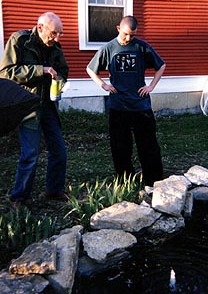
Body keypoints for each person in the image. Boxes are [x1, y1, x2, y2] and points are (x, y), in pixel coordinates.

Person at [86, 15, 166, 186]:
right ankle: (125, 181)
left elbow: (161, 65)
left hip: (140, 105)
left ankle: (154, 181)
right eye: (126, 34)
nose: (129, 38)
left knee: (148, 145)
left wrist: (151, 86)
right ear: (118, 29)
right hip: (118, 106)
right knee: (120, 147)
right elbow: (90, 69)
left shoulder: (141, 47)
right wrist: (103, 85)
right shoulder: (108, 48)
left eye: (133, 35)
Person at [0, 12, 69, 204]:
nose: (57, 38)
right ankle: (19, 198)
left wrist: (60, 81)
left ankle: (54, 191)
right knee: (30, 153)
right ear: (40, 28)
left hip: (47, 105)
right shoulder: (20, 40)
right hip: (27, 105)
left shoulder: (55, 47)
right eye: (54, 33)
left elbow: (63, 70)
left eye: (60, 34)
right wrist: (42, 70)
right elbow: (6, 72)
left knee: (59, 150)